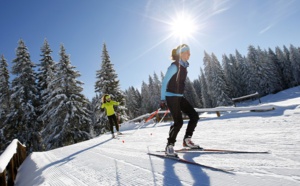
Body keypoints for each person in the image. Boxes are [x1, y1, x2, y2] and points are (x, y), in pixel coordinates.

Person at [160, 44, 201, 157]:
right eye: (188, 52)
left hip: (179, 96)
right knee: (179, 122)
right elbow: (164, 83)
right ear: (182, 53)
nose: (190, 54)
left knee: (194, 116)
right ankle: (169, 146)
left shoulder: (184, 66)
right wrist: (163, 99)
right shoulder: (174, 66)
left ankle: (187, 140)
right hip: (171, 96)